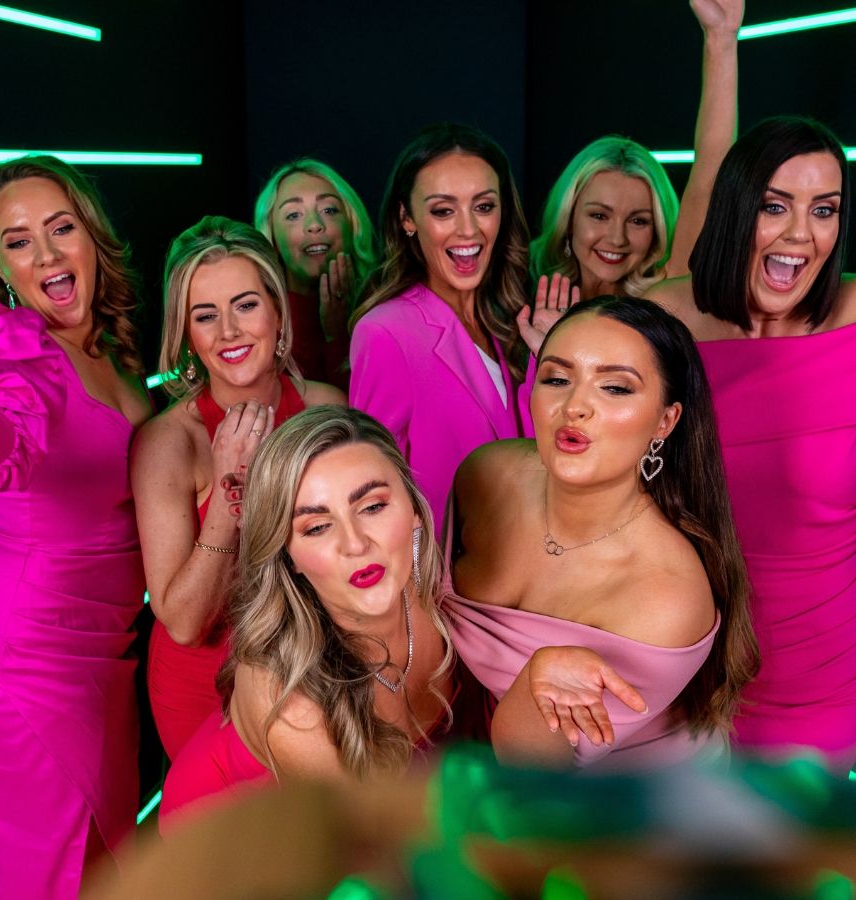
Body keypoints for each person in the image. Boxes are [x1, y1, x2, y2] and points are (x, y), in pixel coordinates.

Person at [444, 296, 758, 772]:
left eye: (614, 388)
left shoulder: (668, 597)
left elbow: (540, 774)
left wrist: (537, 677)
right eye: (556, 379)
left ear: (665, 421)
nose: (575, 407)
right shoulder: (485, 474)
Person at [0, 155, 151, 898]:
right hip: (26, 650)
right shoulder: (7, 346)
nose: (45, 254)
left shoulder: (112, 349)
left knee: (104, 865)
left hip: (108, 651)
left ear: (91, 236)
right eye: (18, 240)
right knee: (39, 870)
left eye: (60, 228)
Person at [646, 116, 856, 774]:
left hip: (830, 689)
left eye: (824, 211)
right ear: (736, 212)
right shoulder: (666, 323)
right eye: (774, 206)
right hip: (686, 685)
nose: (800, 234)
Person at [159, 406, 459, 825]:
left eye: (372, 507)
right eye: (317, 527)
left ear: (413, 508)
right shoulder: (289, 700)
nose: (354, 545)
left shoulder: (443, 594)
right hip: (241, 841)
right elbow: (379, 845)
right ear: (290, 555)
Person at [131, 216, 345, 762]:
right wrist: (230, 495)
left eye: (246, 305)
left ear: (277, 310)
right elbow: (181, 621)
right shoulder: (167, 442)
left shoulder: (326, 408)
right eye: (205, 315)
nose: (229, 331)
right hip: (205, 686)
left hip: (315, 670)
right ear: (185, 333)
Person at [349, 123, 532, 535]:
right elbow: (370, 496)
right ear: (407, 219)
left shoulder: (512, 323)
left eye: (484, 206)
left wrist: (548, 358)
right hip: (443, 586)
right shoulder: (385, 332)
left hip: (528, 572)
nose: (468, 230)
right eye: (443, 210)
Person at [525, 0, 742, 313]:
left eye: (639, 221)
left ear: (657, 232)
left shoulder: (662, 297)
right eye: (599, 215)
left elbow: (710, 182)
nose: (617, 238)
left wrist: (721, 37)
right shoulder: (519, 290)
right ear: (568, 218)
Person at [254, 159, 375, 390]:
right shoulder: (260, 320)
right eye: (293, 215)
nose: (314, 225)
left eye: (329, 210)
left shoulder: (385, 304)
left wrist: (340, 334)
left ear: (352, 224)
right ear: (272, 237)